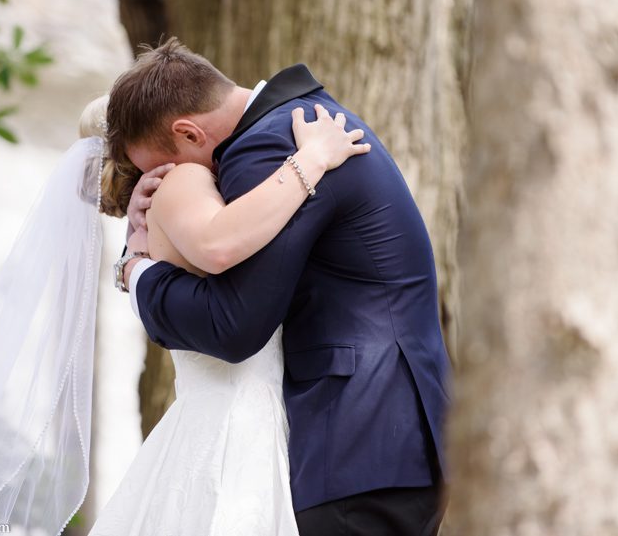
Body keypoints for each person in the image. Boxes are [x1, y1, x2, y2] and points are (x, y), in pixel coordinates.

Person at [0, 82, 366, 535]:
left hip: (214, 415)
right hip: (242, 424)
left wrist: (129, 263)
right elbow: (222, 245)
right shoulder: (186, 189)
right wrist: (311, 159)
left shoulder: (149, 223)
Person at [111, 37, 452, 536]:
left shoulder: (267, 146)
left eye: (161, 170)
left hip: (356, 445)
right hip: (392, 439)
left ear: (187, 133)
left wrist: (137, 269)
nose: (165, 186)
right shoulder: (303, 120)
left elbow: (231, 325)